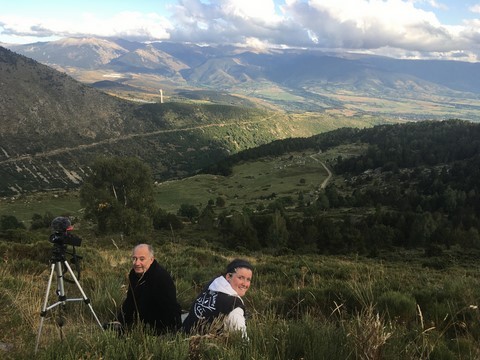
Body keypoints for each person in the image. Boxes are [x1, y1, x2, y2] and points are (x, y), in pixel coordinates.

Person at [117, 244, 182, 334]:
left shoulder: (161, 278)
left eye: (142, 259)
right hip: (141, 324)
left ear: (151, 260)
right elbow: (130, 300)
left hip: (160, 327)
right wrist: (120, 321)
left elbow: (170, 310)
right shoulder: (133, 274)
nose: (137, 263)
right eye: (134, 258)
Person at [182, 259, 253, 338]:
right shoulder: (234, 306)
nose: (245, 284)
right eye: (240, 278)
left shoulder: (214, 284)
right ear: (228, 276)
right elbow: (241, 340)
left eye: (248, 279)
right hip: (199, 345)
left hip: (183, 332)